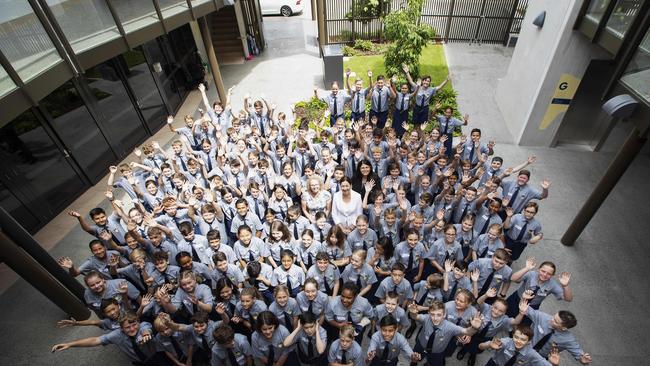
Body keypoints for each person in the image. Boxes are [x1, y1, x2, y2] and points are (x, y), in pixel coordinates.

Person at [51, 312, 168, 365]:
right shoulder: (116, 335)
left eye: (134, 325)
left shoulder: (143, 326)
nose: (132, 329)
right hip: (139, 362)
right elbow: (95, 340)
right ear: (121, 329)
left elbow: (145, 329)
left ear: (138, 322)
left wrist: (145, 334)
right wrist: (70, 344)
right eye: (127, 327)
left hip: (158, 356)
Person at [406, 300, 482, 366]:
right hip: (421, 345)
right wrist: (413, 313)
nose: (435, 318)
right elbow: (415, 317)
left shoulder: (450, 326)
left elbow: (466, 331)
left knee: (434, 363)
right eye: (432, 314)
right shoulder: (426, 318)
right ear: (428, 313)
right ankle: (414, 363)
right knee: (415, 357)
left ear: (444, 314)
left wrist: (474, 328)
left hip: (437, 352)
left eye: (439, 315)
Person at [478, 325, 561, 366]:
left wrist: (555, 364)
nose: (518, 341)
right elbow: (480, 347)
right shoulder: (505, 342)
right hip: (494, 364)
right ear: (512, 336)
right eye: (516, 337)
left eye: (523, 339)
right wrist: (489, 344)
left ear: (529, 341)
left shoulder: (531, 353)